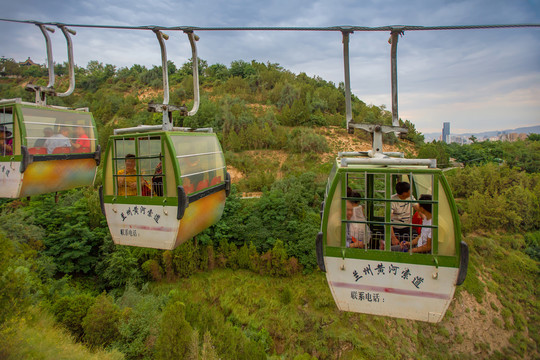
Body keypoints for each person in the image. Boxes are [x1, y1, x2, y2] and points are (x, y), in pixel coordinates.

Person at [390, 182, 420, 248]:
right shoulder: (392, 200)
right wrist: (393, 238)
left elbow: (419, 209)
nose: (411, 192)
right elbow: (388, 220)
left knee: (415, 237)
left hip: (407, 226)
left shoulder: (410, 197)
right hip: (395, 227)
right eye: (409, 190)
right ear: (404, 193)